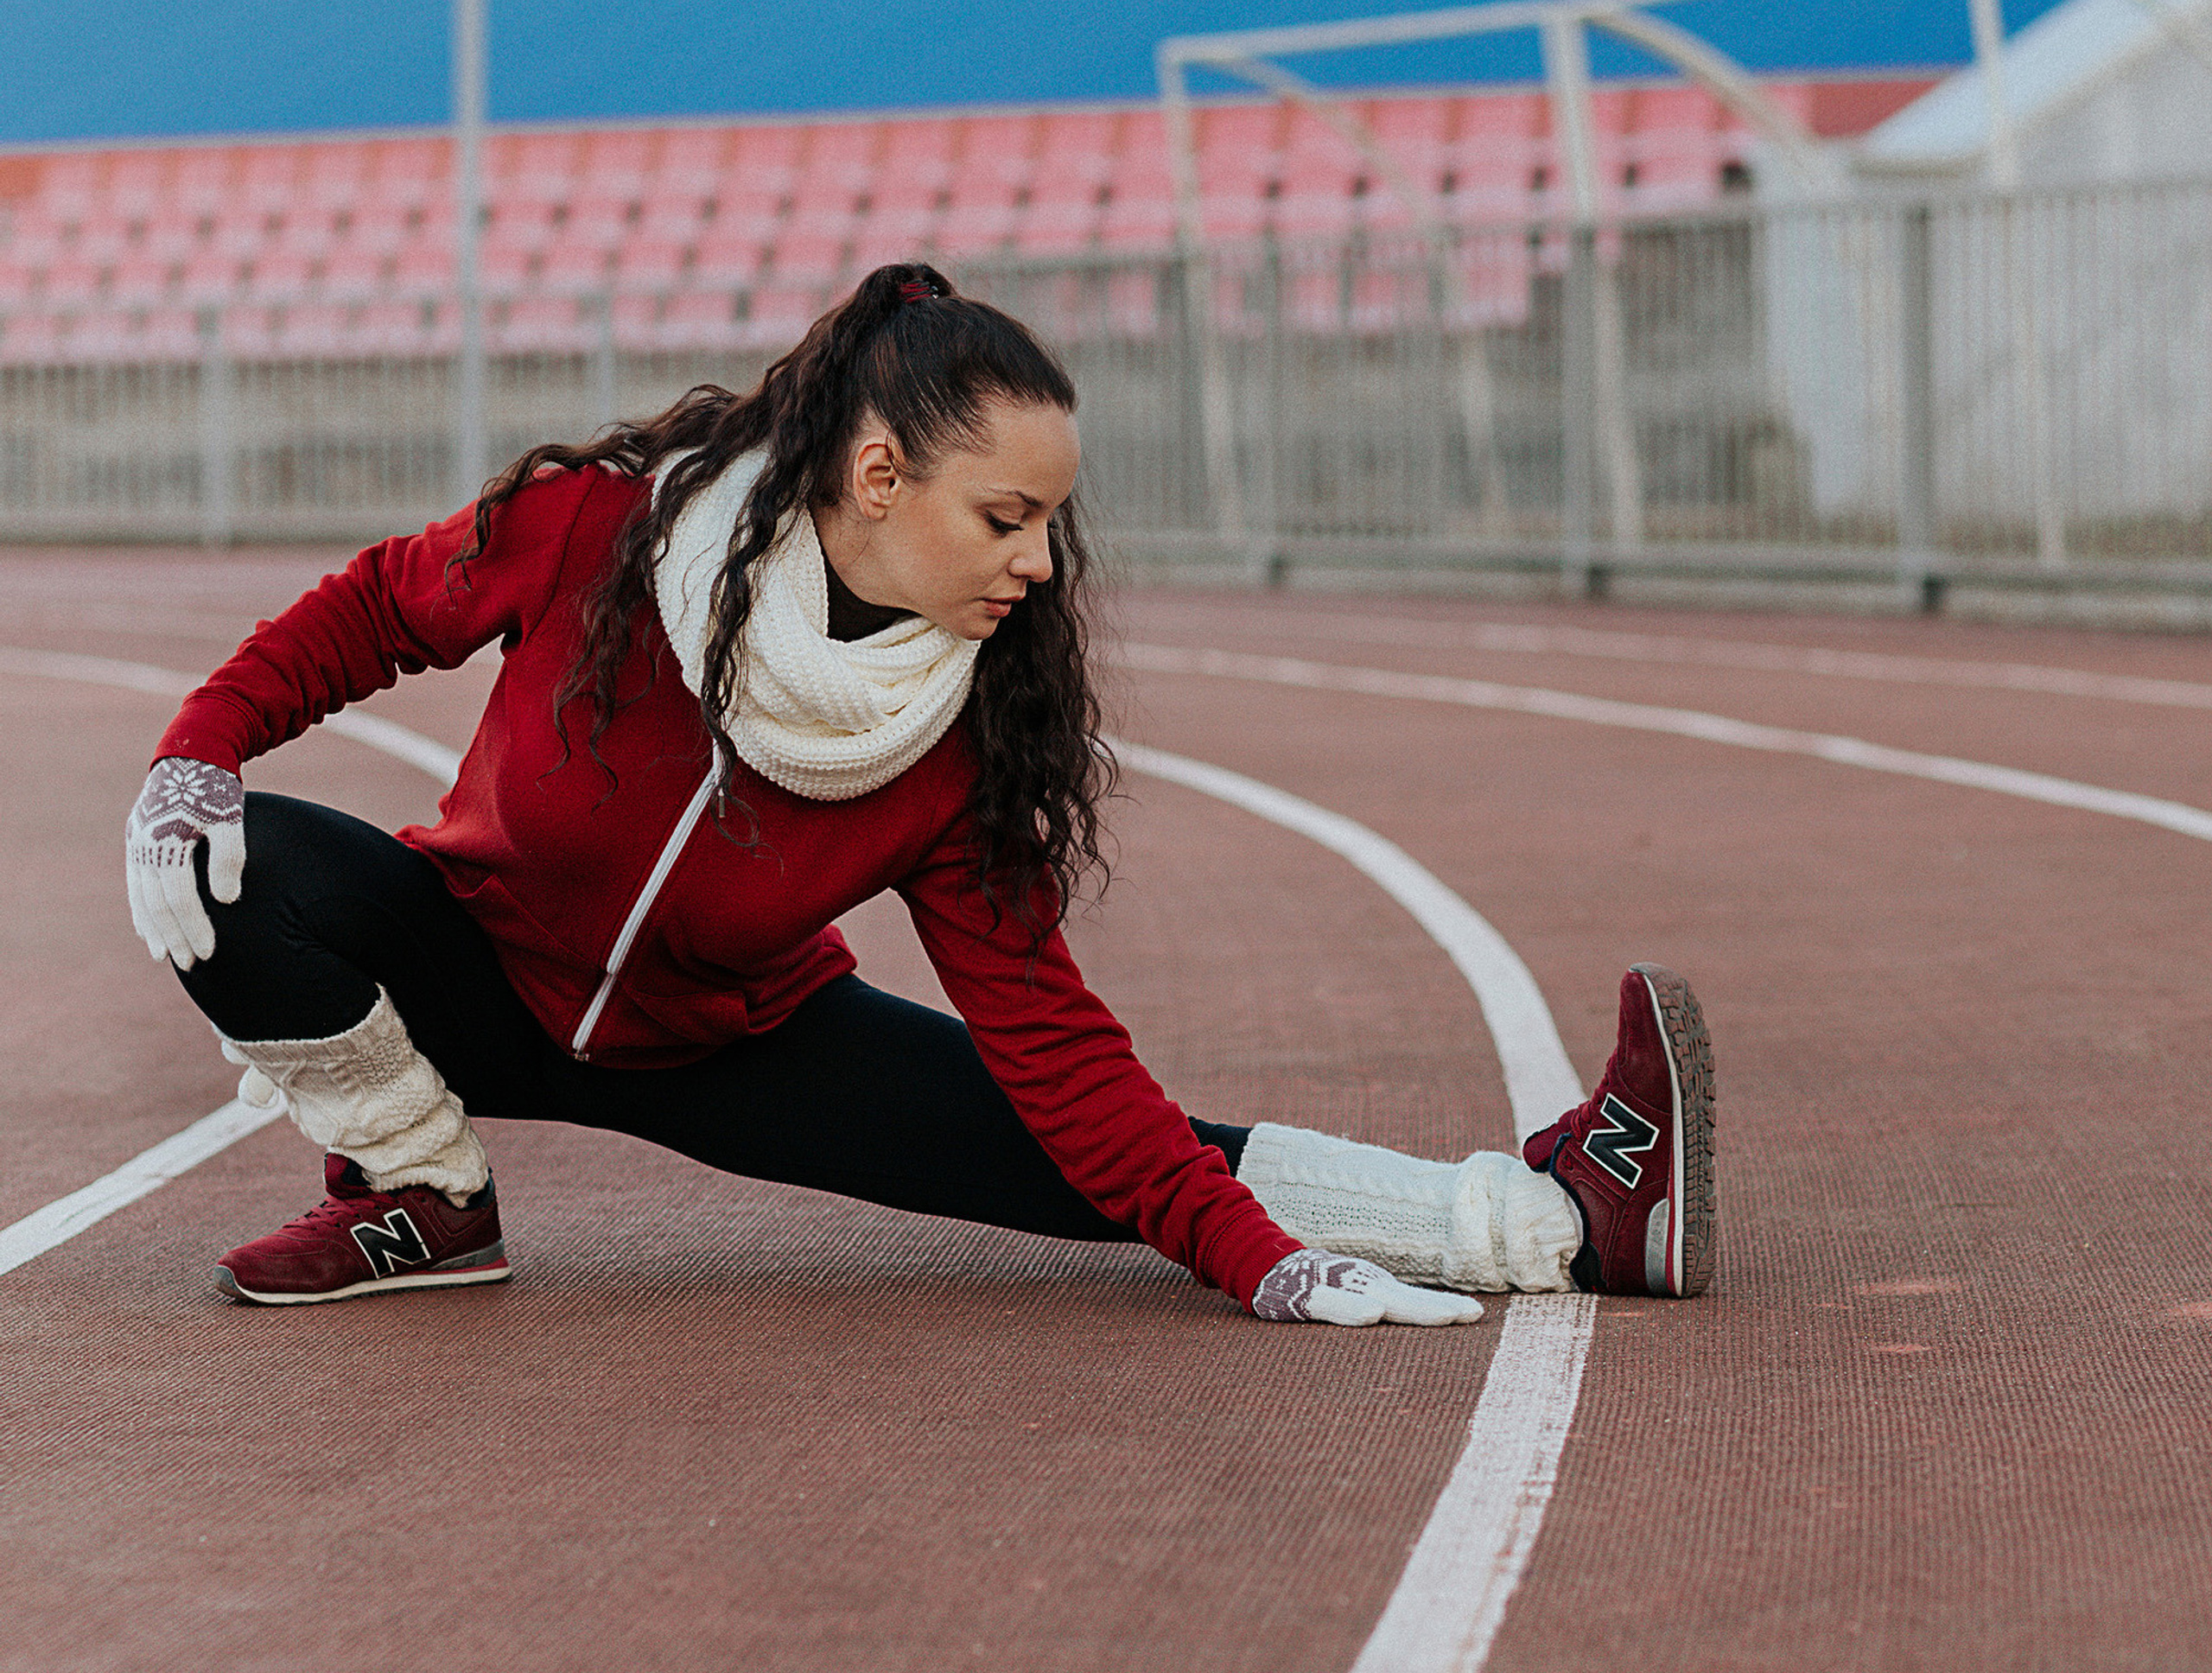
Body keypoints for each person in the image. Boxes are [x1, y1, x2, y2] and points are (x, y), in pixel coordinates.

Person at [123, 263, 1714, 1323]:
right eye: (1008, 518)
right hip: (475, 973)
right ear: (879, 479)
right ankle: (419, 1195)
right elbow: (380, 610)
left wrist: (1268, 1272)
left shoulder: (960, 737)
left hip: (737, 1049)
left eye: (1050, 526)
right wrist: (200, 744)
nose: (1040, 565)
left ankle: (1564, 1215)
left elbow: (1063, 1052)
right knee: (221, 864)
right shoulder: (604, 530)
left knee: (1102, 1162)